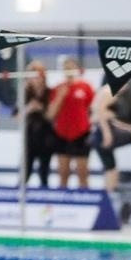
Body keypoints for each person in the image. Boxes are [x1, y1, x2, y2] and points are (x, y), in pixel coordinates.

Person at [89, 85, 131, 193]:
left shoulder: (105, 92)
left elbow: (102, 115)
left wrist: (128, 128)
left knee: (111, 169)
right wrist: (107, 133)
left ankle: (108, 199)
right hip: (104, 133)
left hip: (101, 133)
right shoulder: (108, 92)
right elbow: (100, 113)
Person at [48, 59, 96, 189]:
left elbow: (92, 108)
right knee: (63, 173)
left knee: (83, 173)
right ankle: (63, 201)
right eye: (66, 68)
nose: (69, 71)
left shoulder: (85, 87)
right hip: (62, 133)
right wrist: (60, 96)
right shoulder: (58, 88)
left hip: (81, 133)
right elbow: (50, 114)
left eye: (71, 68)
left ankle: (85, 199)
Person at [21, 61, 55, 188]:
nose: (36, 79)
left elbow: (52, 115)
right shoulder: (25, 93)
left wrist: (41, 108)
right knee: (25, 170)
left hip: (46, 135)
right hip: (30, 135)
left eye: (39, 75)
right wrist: (29, 108)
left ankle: (45, 198)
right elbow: (17, 115)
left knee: (44, 171)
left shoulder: (50, 92)